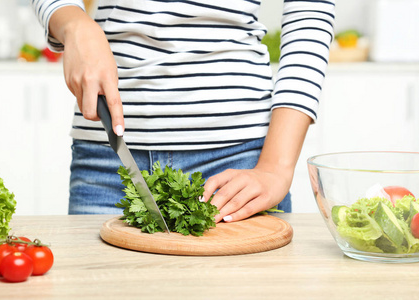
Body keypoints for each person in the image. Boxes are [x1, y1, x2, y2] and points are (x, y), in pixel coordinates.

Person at [32, 0, 335, 222]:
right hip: (110, 162)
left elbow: (310, 11)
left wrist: (275, 167)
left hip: (238, 165)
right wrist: (73, 22)